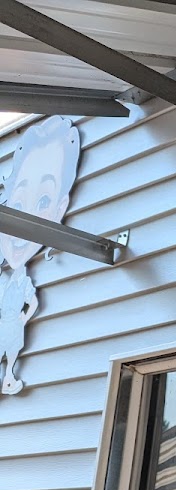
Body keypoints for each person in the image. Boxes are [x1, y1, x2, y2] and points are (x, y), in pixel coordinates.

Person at [0, 116, 81, 394]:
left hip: (13, 323)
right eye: (17, 205)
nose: (24, 223)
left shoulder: (22, 282)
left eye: (43, 201)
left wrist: (22, 319)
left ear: (60, 210)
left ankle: (8, 376)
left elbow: (32, 303)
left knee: (11, 348)